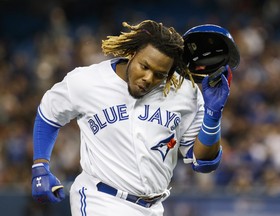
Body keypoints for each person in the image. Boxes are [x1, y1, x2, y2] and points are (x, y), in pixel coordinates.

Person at [31, 20, 232, 216]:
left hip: (154, 207)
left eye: (159, 74)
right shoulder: (87, 81)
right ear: (132, 53)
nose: (148, 78)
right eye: (144, 66)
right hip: (100, 200)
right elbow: (48, 114)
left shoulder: (184, 93)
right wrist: (40, 165)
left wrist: (213, 115)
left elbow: (204, 163)